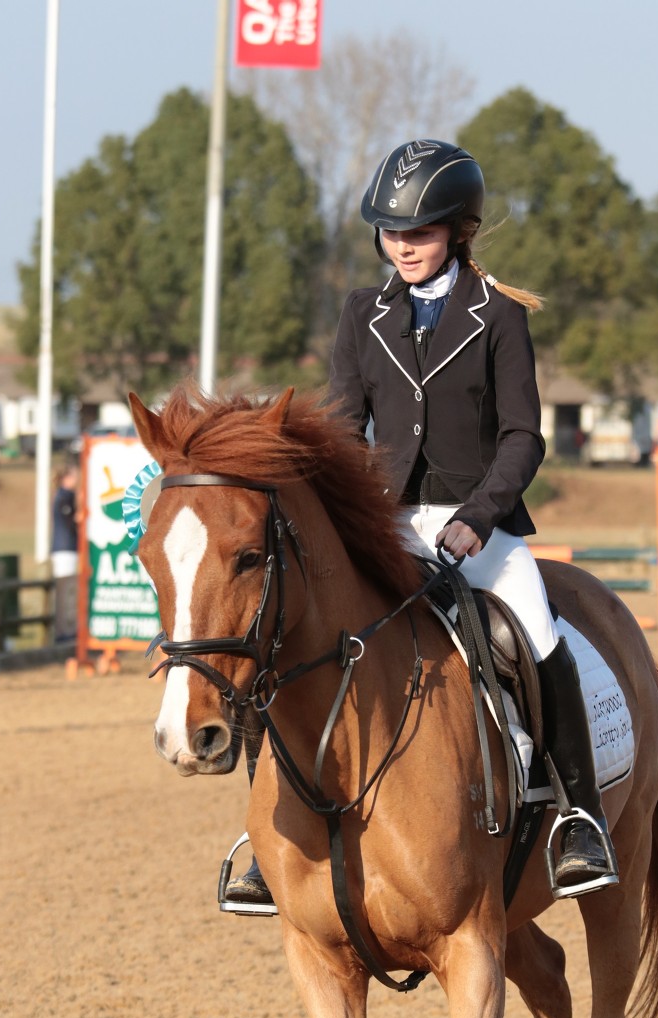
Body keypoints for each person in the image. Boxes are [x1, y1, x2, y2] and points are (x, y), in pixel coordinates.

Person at [225, 139, 619, 911]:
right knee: (289, 631)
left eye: (421, 232)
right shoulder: (362, 314)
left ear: (458, 232)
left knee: (536, 637)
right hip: (387, 521)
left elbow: (523, 436)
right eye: (390, 231)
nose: (403, 245)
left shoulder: (497, 315)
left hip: (481, 526)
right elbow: (342, 425)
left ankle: (579, 817)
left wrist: (480, 516)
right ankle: (261, 840)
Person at [50, 464, 79, 577]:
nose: (77, 480)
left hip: (66, 548)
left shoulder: (65, 496)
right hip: (64, 548)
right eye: (74, 476)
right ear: (66, 478)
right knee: (64, 584)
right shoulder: (64, 497)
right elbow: (69, 522)